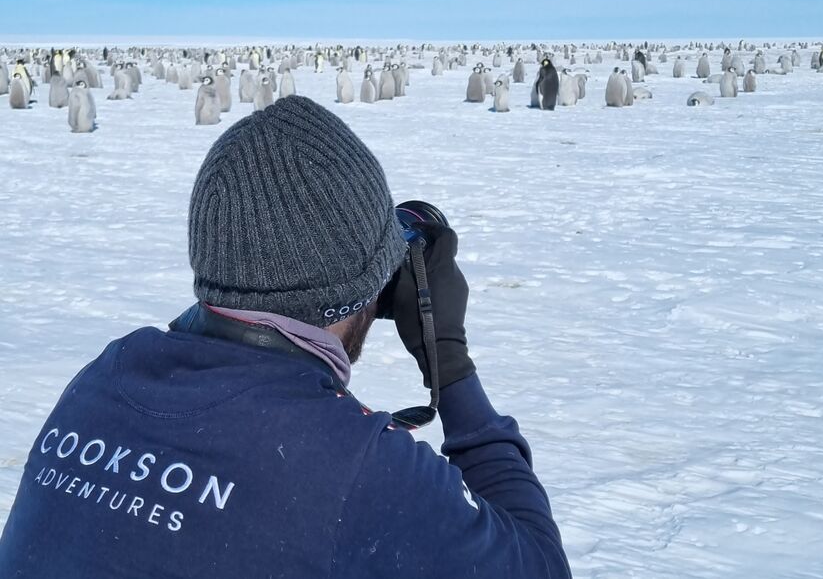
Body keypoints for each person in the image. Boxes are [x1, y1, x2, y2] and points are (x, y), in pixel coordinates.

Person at [0, 95, 572, 578]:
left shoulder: (106, 376)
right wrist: (447, 357)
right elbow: (541, 564)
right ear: (368, 286)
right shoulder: (355, 466)